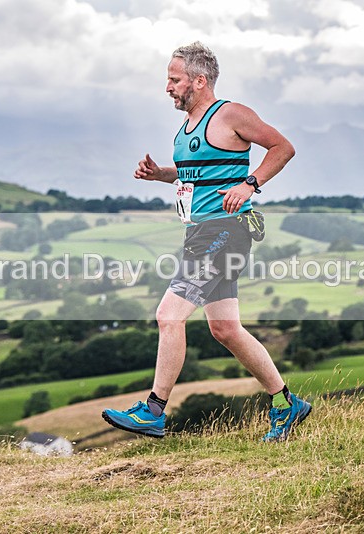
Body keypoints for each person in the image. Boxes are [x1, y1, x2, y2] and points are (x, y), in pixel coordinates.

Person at [102, 42, 310, 442]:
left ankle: (153, 411)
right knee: (226, 330)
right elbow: (194, 179)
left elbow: (283, 147)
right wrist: (160, 174)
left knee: (169, 315)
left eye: (174, 79)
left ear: (199, 81)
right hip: (200, 233)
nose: (167, 87)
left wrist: (250, 184)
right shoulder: (185, 130)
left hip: (225, 232)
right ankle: (287, 404)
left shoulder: (230, 114)